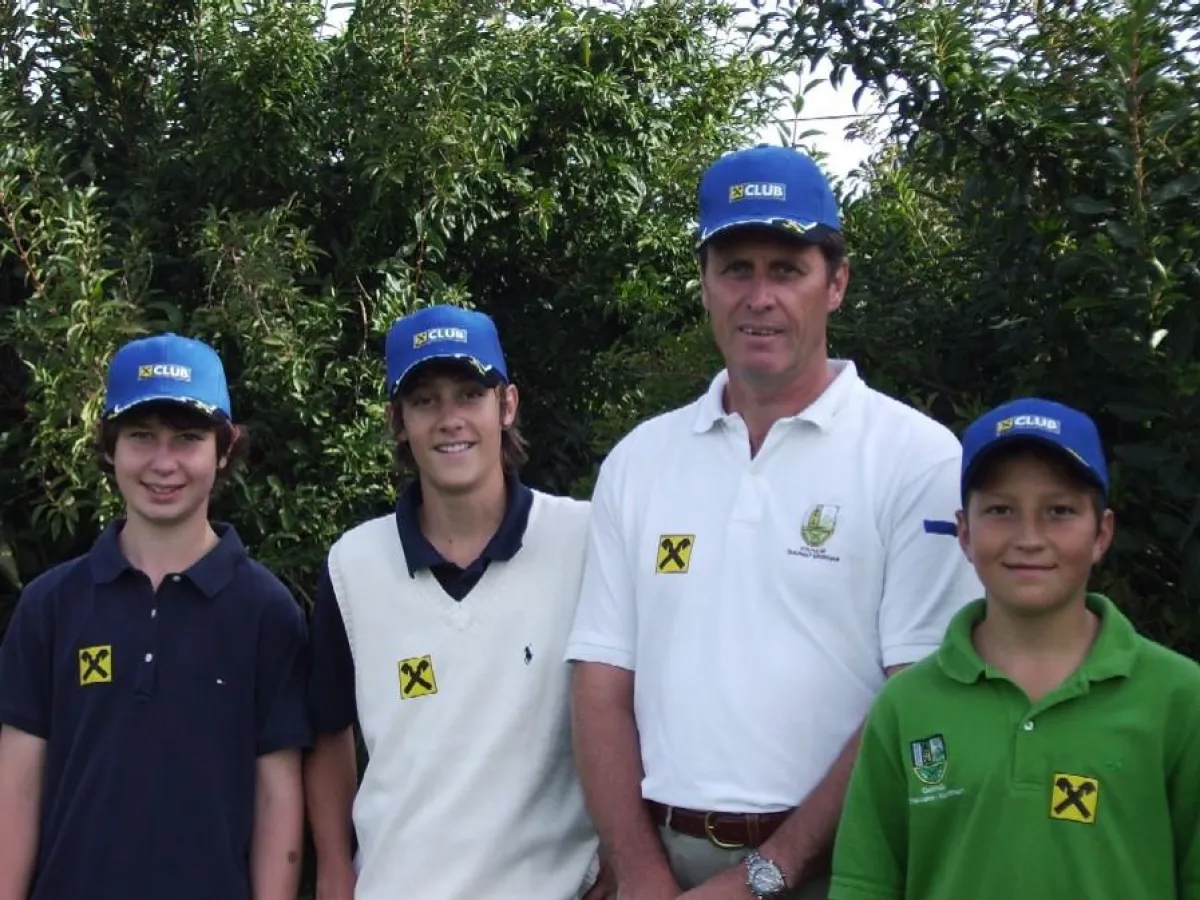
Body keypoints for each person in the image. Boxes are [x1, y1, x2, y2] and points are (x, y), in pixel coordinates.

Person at [565, 144, 981, 900]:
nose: (759, 297)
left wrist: (769, 871)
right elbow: (600, 684)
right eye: (737, 269)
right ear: (705, 283)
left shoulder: (917, 459)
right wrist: (638, 867)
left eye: (787, 270)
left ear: (836, 283)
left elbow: (919, 697)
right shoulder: (639, 460)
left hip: (844, 867)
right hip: (662, 865)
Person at [829, 398, 1200, 900]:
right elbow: (865, 883)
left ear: (1101, 533)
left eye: (1059, 511)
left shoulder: (1179, 697)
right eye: (1001, 510)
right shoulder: (907, 704)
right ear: (964, 532)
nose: (1029, 538)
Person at [304, 305, 609, 900]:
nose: (450, 420)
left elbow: (636, 707)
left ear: (507, 405)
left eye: (470, 395)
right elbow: (328, 730)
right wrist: (335, 869)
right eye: (425, 401)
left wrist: (625, 854)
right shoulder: (353, 565)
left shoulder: (585, 540)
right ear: (398, 421)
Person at [0, 333, 310, 900]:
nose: (163, 463)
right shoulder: (49, 606)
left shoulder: (266, 612)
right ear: (110, 447)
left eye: (187, 438)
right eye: (141, 436)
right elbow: (16, 790)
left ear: (224, 449)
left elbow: (277, 798)